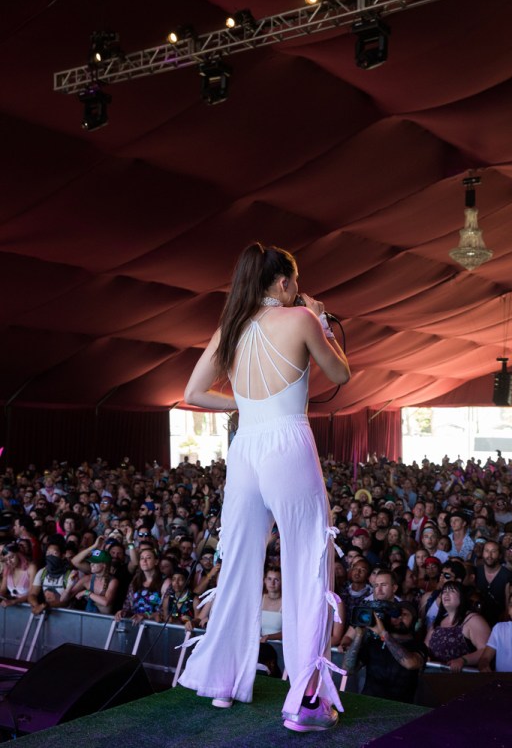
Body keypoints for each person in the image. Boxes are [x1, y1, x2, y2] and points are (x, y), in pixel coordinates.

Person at [177, 243, 350, 732]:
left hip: (246, 447)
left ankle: (222, 683)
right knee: (309, 558)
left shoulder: (229, 328)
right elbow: (340, 373)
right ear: (282, 284)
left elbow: (192, 393)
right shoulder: (300, 318)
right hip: (288, 442)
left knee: (238, 561)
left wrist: (241, 408)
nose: (299, 291)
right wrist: (317, 318)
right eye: (295, 283)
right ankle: (306, 700)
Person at [425, 581, 490, 671]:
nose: (446, 594)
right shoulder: (437, 622)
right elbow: (426, 646)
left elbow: (487, 650)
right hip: (434, 673)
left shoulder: (473, 619)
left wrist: (463, 660)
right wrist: (425, 655)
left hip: (461, 676)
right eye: (444, 591)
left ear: (462, 596)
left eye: (451, 591)